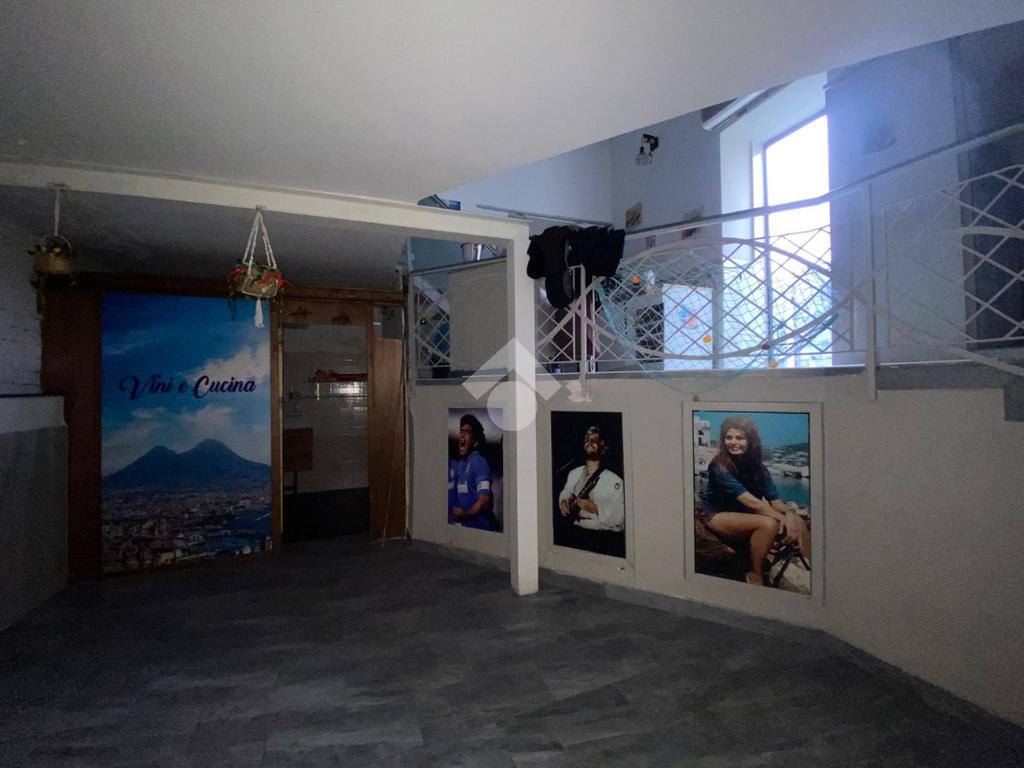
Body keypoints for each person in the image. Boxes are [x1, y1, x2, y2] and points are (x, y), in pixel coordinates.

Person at [700, 416, 811, 586]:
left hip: (745, 515)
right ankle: (755, 574)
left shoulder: (760, 469)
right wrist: (783, 520)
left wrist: (790, 515)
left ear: (750, 441)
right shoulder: (718, 467)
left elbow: (775, 502)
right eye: (729, 437)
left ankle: (808, 568)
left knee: (798, 521)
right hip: (716, 514)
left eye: (739, 437)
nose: (733, 442)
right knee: (768, 524)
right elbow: (753, 503)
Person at [558, 425, 624, 532]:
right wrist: (564, 502)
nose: (589, 442)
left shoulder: (615, 481)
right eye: (587, 439)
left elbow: (620, 517)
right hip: (575, 530)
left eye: (594, 440)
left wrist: (594, 508)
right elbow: (566, 492)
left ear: (604, 447)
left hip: (601, 534)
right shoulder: (574, 473)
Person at [448, 414, 495, 531]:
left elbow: (484, 501)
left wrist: (466, 514)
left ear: (475, 441)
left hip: (482, 531)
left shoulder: (478, 462)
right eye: (461, 432)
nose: (462, 435)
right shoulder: (461, 465)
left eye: (467, 432)